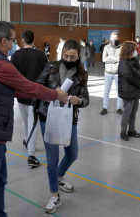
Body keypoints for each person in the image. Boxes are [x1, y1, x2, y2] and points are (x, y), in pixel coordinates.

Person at [0, 21, 68, 217]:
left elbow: (4, 89)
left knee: (0, 181)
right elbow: (29, 87)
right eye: (12, 40)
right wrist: (56, 94)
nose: (14, 44)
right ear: (4, 41)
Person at [35, 39, 89, 214]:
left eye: (72, 57)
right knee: (52, 159)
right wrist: (53, 94)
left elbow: (86, 99)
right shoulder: (51, 67)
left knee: (72, 154)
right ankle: (54, 195)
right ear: (61, 54)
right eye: (65, 56)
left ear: (78, 56)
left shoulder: (82, 74)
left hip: (68, 120)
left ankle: (59, 176)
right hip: (48, 117)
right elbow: (37, 86)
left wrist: (78, 100)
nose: (68, 59)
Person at [11, 30, 48, 167]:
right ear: (33, 40)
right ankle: (31, 155)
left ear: (23, 40)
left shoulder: (16, 55)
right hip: (35, 95)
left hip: (21, 94)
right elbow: (47, 74)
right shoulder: (41, 54)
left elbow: (12, 75)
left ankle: (27, 141)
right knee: (33, 124)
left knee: (27, 121)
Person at [118, 41, 140, 141]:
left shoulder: (134, 60)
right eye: (134, 49)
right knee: (127, 112)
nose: (136, 51)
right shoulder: (123, 62)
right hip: (128, 90)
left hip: (135, 90)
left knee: (133, 112)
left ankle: (131, 130)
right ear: (129, 50)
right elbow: (128, 76)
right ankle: (123, 131)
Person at [101, 32, 123, 115]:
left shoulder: (121, 47)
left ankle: (119, 108)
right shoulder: (106, 47)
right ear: (110, 38)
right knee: (106, 91)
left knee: (119, 91)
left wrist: (109, 58)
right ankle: (104, 107)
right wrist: (115, 59)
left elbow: (121, 58)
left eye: (115, 37)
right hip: (108, 72)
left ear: (118, 38)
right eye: (112, 37)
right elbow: (103, 59)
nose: (113, 39)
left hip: (118, 72)